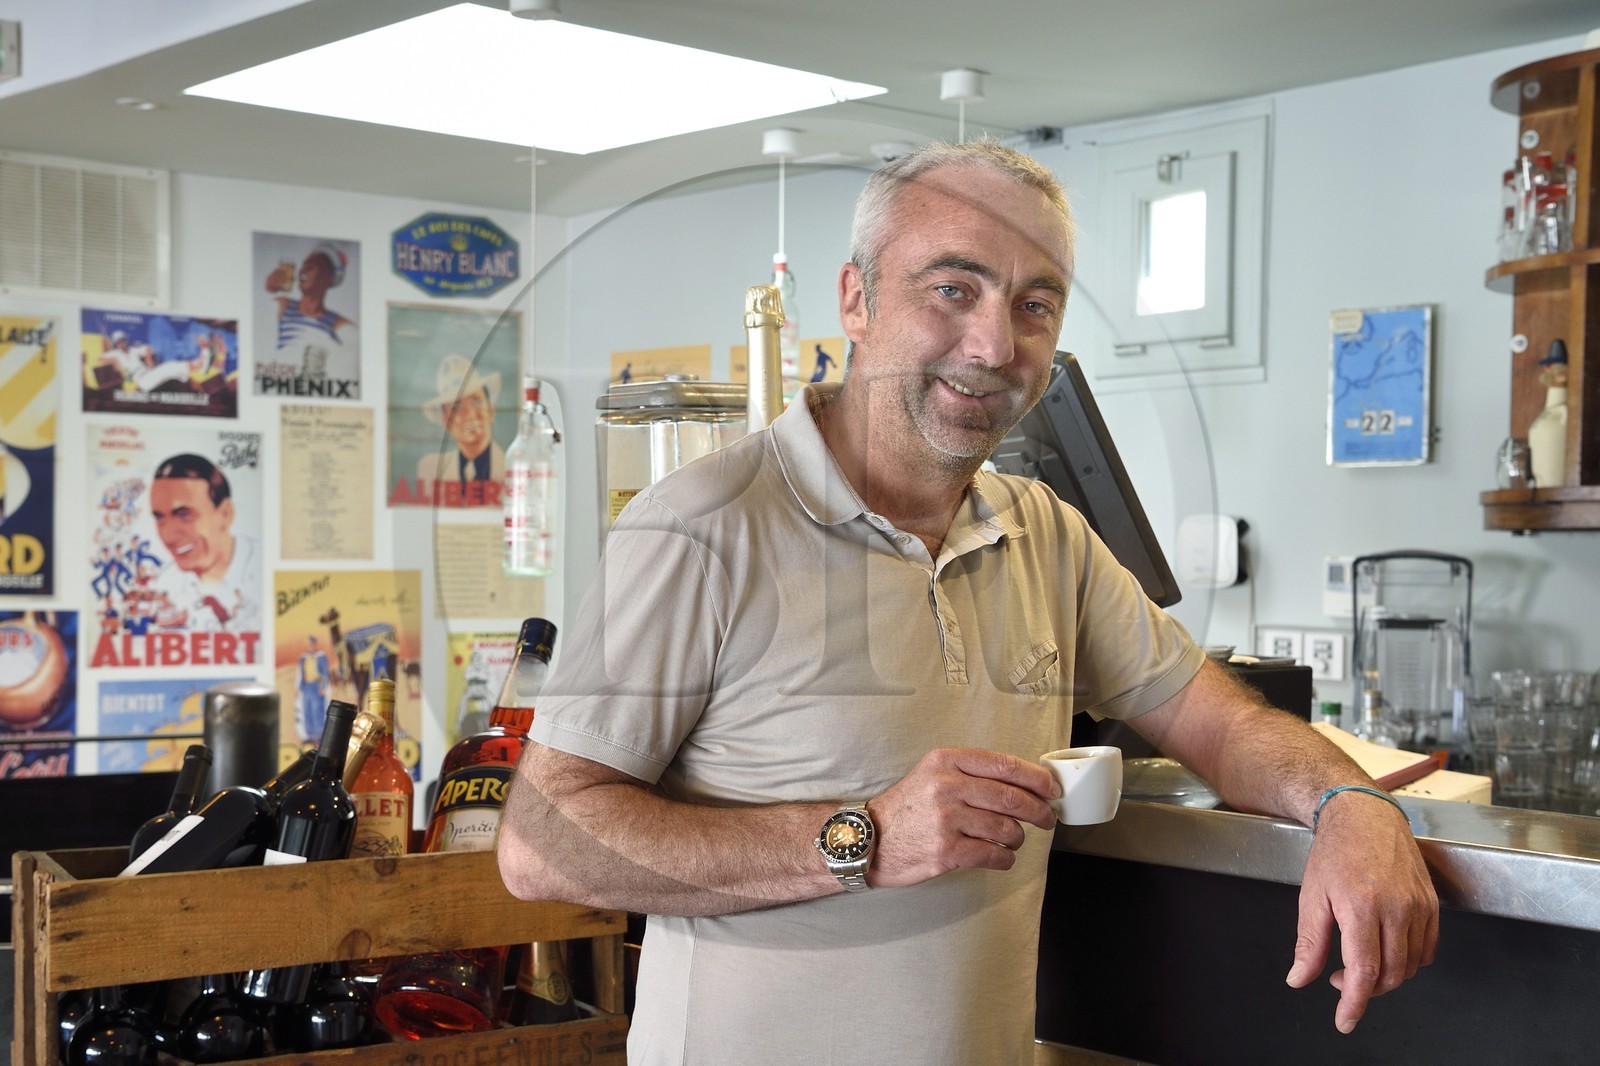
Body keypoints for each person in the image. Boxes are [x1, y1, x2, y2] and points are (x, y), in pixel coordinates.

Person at [496, 140, 1437, 1065]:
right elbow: (542, 846)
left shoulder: (1047, 532)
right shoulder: (699, 526)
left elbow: (1218, 722)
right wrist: (862, 838)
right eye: (953, 288)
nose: (995, 345)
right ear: (856, 299)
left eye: (1036, 305)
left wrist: (1349, 803)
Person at [148, 453, 260, 633]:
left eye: (184, 515)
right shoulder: (165, 585)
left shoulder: (260, 565)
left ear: (225, 514)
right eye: (160, 518)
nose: (168, 536)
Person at [264, 241, 358, 381]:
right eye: (303, 266)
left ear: (329, 278)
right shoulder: (284, 306)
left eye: (311, 267)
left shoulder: (339, 324)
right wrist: (268, 288)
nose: (302, 271)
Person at [414, 353, 505, 489]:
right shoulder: (431, 470)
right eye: (457, 407)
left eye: (476, 402)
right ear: (445, 421)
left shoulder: (513, 468)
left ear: (491, 410)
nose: (470, 414)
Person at [297, 635, 332, 745]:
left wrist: (322, 686)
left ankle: (319, 734)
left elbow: (325, 673)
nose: (310, 647)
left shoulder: (321, 657)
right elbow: (301, 674)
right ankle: (310, 735)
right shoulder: (303, 658)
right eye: (308, 645)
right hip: (307, 686)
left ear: (315, 644)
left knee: (317, 709)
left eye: (311, 644)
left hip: (317, 686)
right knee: (307, 709)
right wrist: (299, 688)